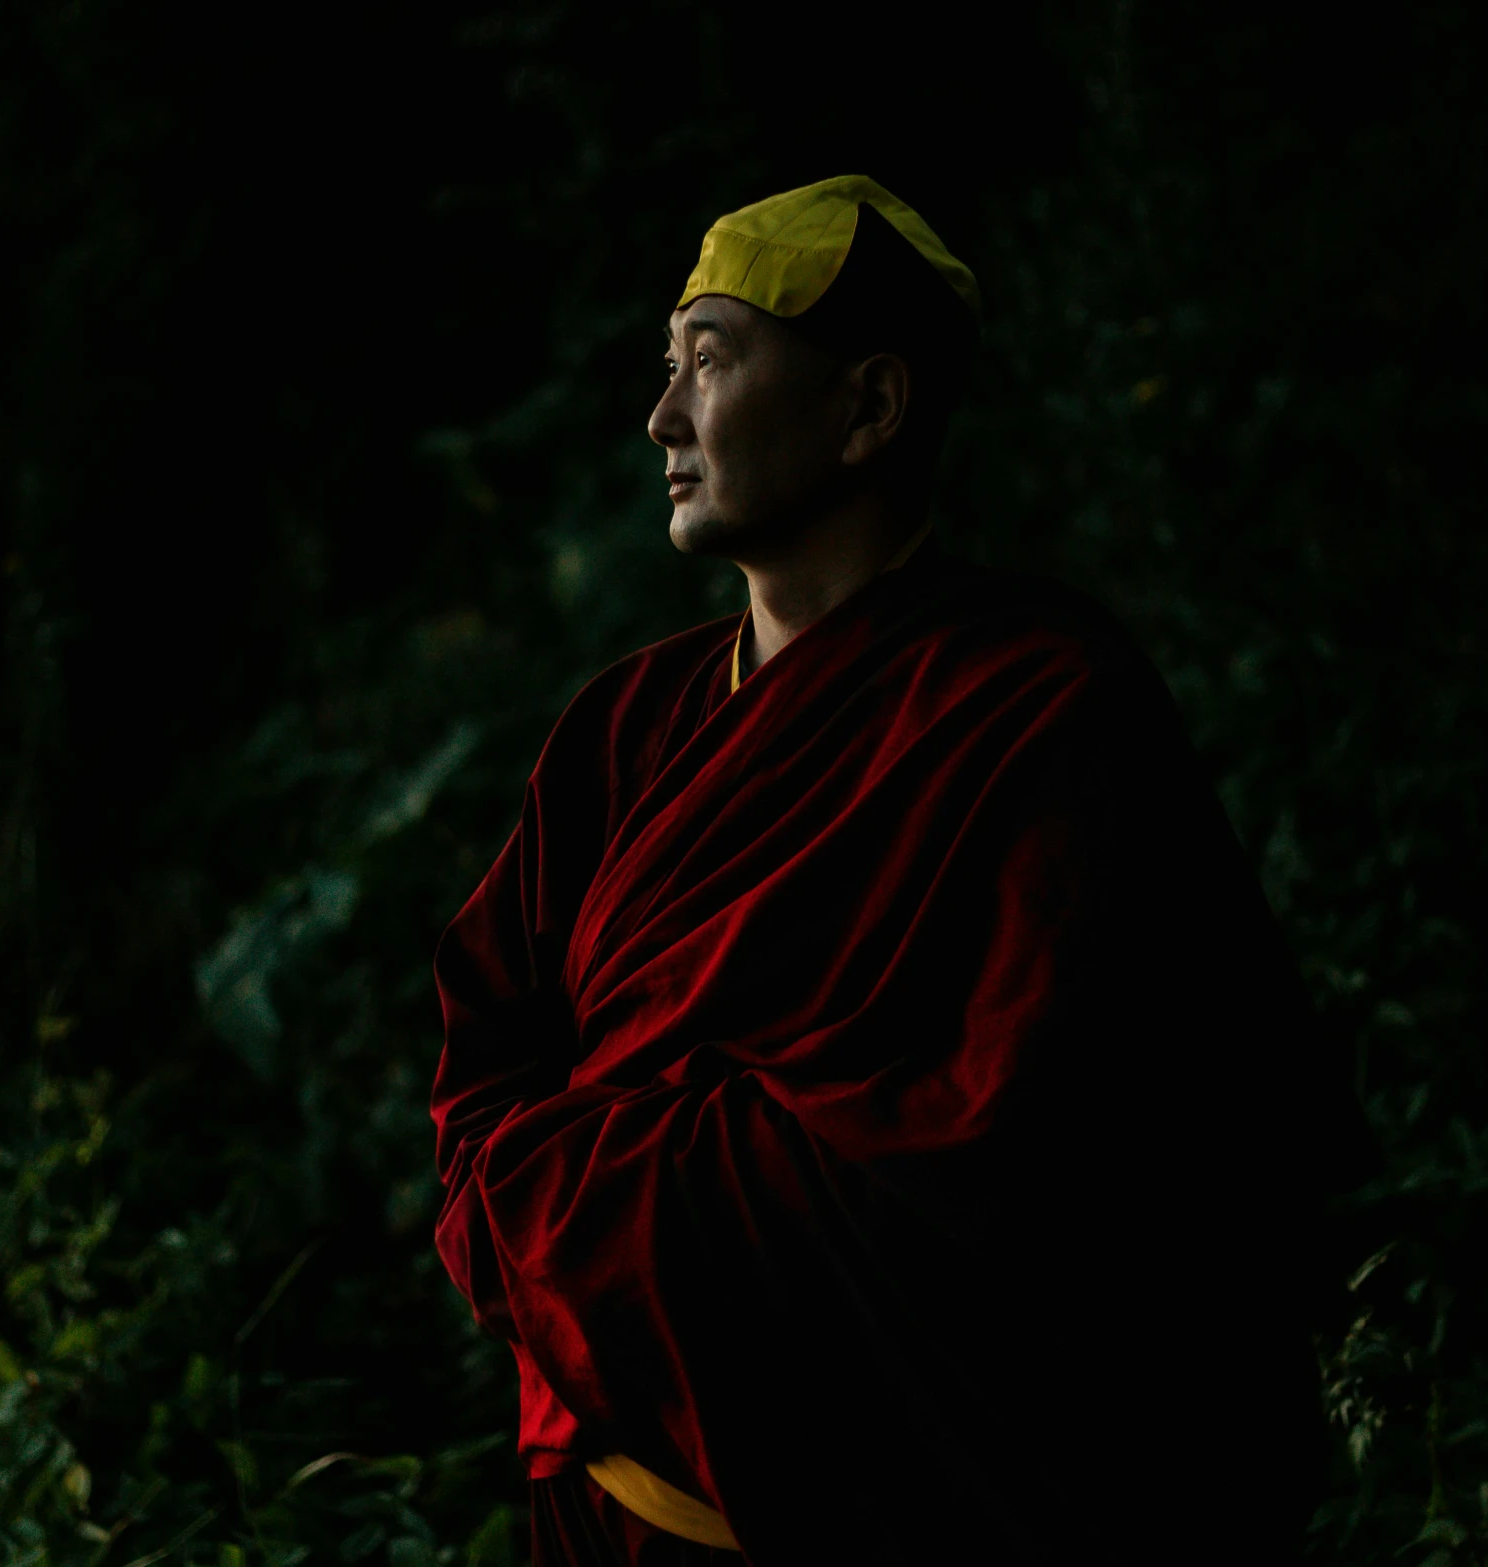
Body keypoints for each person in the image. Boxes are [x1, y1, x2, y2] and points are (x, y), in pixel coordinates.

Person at [431, 175, 1338, 1565]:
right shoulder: (621, 730)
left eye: (713, 362)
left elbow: (1046, 1145)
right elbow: (483, 1056)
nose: (663, 418)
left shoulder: (1039, 708)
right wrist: (605, 1189)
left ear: (869, 408)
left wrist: (618, 1198)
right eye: (665, 369)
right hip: (615, 1517)